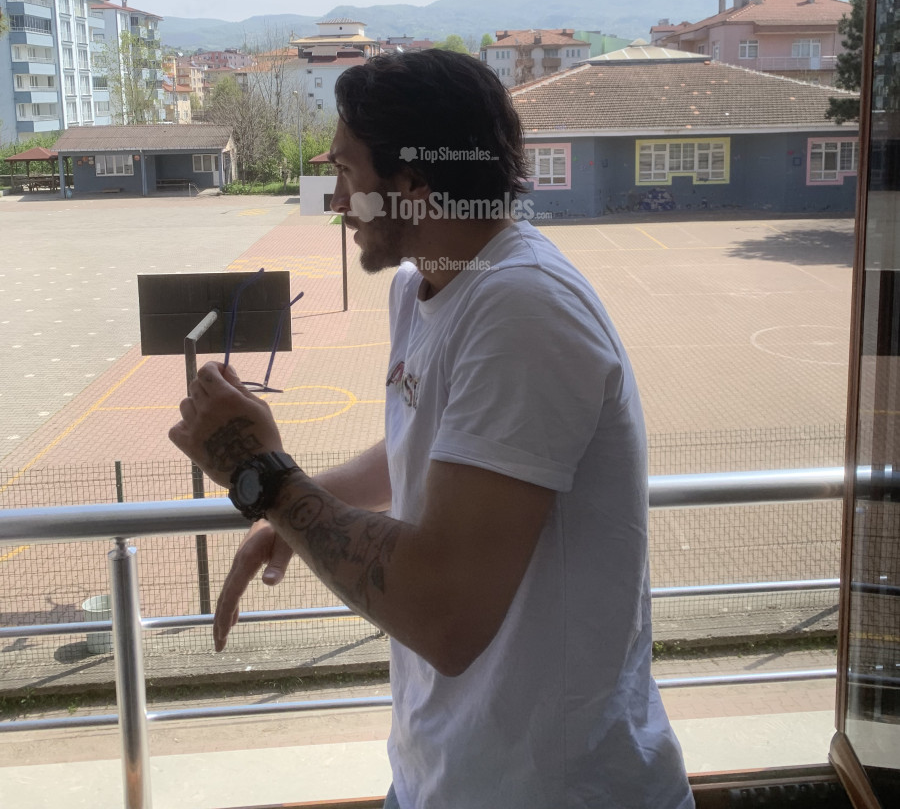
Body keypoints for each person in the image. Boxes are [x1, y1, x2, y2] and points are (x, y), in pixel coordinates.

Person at [169, 50, 693, 809]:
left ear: (414, 184)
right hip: (440, 778)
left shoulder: (523, 309)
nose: (334, 200)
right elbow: (433, 446)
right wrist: (296, 511)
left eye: (346, 172)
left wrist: (267, 479)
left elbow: (447, 614)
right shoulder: (424, 288)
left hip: (556, 790)